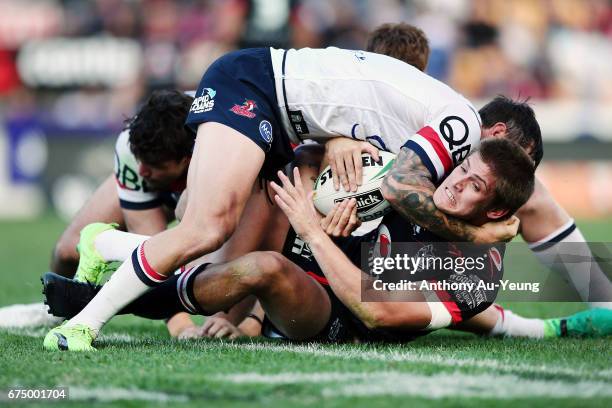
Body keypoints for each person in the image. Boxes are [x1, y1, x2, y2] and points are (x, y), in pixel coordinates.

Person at [45, 43, 545, 350]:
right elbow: (396, 188)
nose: (461, 178)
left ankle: (108, 251)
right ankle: (85, 320)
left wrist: (558, 321)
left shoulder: (451, 182)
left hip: (282, 121)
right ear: (493, 132)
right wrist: (484, 232)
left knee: (226, 251)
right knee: (207, 228)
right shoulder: (454, 137)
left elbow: (443, 297)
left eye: (479, 184)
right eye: (476, 170)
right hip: (257, 87)